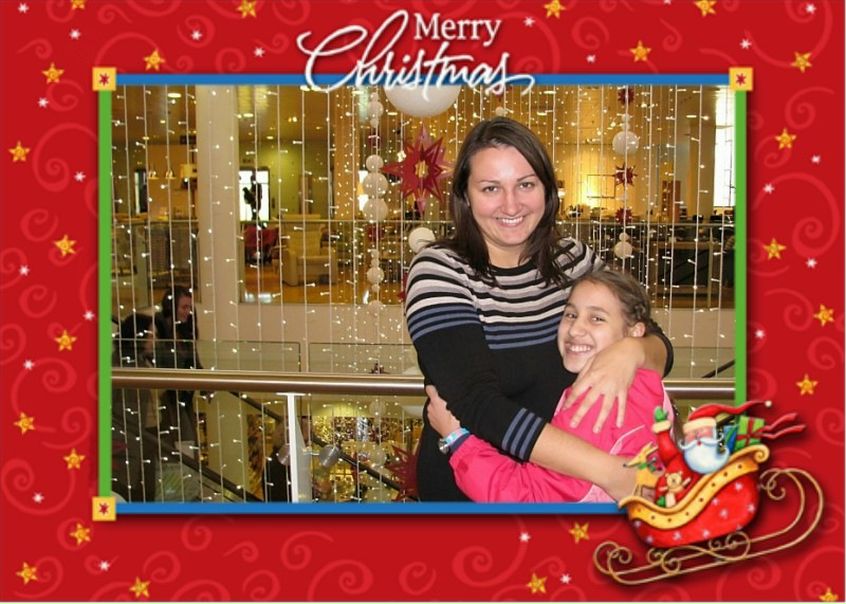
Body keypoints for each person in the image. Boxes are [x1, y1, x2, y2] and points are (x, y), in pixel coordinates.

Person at [404, 117, 673, 501]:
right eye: (491, 188)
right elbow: (477, 403)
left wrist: (631, 352)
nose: (511, 204)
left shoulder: (573, 261)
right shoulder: (440, 270)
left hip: (571, 489)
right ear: (465, 195)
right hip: (474, 485)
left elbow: (656, 344)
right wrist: (610, 473)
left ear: (547, 190)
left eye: (526, 185)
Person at [427, 270, 674, 502]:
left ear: (635, 332)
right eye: (571, 315)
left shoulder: (596, 403)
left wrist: (457, 439)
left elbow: (528, 499)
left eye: (597, 318)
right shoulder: (645, 384)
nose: (576, 329)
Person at [112, 312, 158, 502]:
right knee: (132, 488)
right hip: (128, 438)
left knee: (144, 485)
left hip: (145, 434)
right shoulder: (123, 365)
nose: (154, 340)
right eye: (150, 335)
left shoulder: (142, 361)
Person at [155, 286, 202, 453]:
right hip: (168, 397)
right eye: (184, 307)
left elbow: (195, 362)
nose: (187, 312)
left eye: (189, 307)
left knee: (187, 440)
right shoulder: (159, 332)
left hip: (184, 397)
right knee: (181, 439)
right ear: (171, 307)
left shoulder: (184, 332)